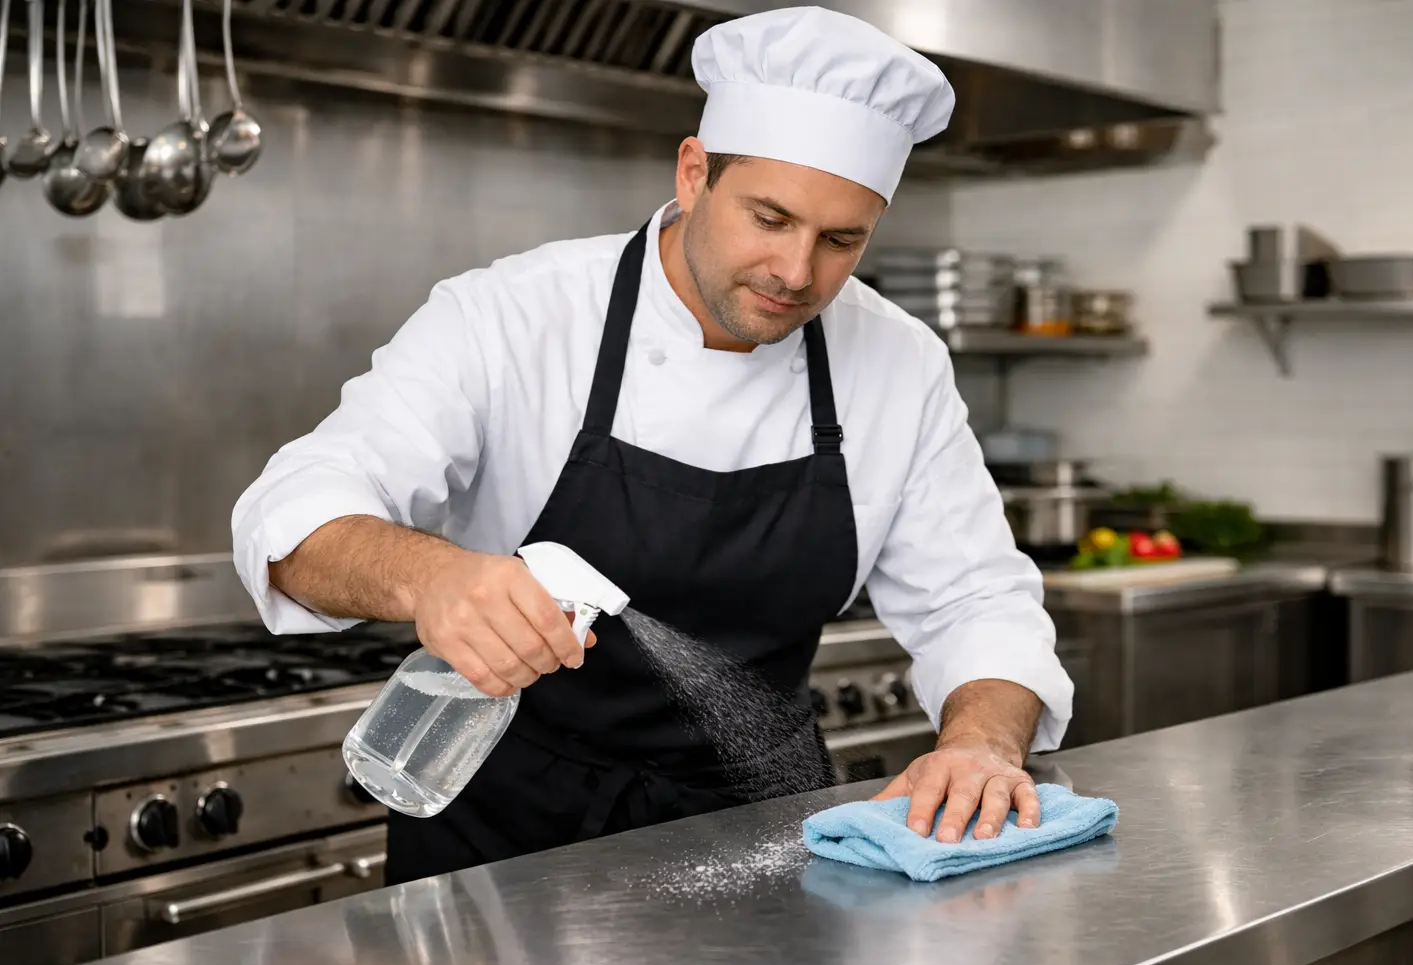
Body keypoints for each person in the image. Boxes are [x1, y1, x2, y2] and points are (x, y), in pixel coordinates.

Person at [232, 6, 1073, 886]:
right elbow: (293, 512)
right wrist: (432, 577)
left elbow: (976, 601)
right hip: (502, 839)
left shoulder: (898, 359)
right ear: (694, 172)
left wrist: (981, 743)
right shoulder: (512, 316)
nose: (796, 273)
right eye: (769, 218)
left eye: (841, 240)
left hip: (756, 834)